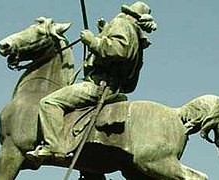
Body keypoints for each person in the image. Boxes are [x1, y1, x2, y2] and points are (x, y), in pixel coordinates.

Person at [27, 1, 157, 158]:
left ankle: (54, 147)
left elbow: (118, 51)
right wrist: (104, 32)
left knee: (49, 103)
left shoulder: (122, 23)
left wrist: (92, 41)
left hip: (97, 87)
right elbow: (120, 52)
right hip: (112, 88)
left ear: (129, 14)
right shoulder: (135, 35)